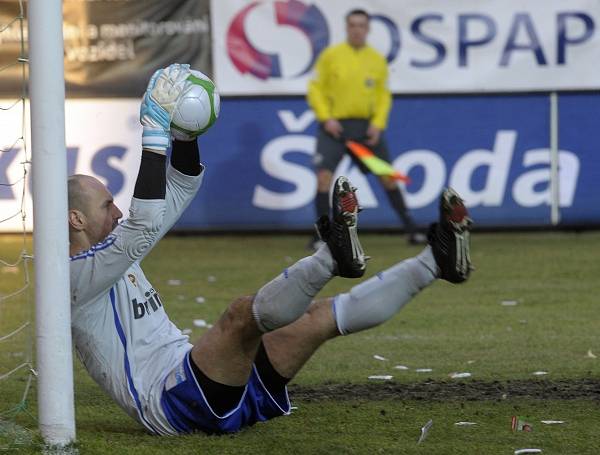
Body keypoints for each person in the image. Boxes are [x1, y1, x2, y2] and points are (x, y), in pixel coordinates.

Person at [68, 63, 473, 436]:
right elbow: (144, 222)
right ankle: (332, 256)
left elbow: (182, 182)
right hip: (173, 402)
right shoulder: (71, 277)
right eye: (107, 204)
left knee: (316, 319)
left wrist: (183, 137)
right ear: (76, 220)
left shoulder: (118, 251)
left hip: (207, 381)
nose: (118, 209)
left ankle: (434, 262)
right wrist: (154, 131)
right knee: (239, 317)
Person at [307, 8, 426, 249]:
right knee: (323, 179)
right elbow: (315, 89)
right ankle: (322, 235)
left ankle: (411, 229)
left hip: (365, 129)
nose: (357, 30)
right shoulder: (331, 56)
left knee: (387, 178)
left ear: (368, 28)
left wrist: (377, 123)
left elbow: (383, 95)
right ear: (346, 27)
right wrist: (326, 118)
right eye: (352, 25)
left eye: (361, 25)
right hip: (335, 128)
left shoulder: (376, 59)